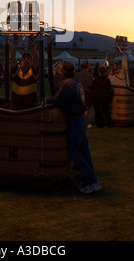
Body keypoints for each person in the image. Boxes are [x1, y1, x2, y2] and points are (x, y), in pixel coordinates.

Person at [45, 62, 101, 194]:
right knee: (84, 151)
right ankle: (91, 180)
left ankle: (90, 181)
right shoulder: (77, 82)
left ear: (63, 72)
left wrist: (47, 100)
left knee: (74, 152)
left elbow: (59, 100)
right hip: (81, 119)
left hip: (75, 120)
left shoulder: (67, 84)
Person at [10, 34, 39, 110]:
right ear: (21, 62)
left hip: (30, 109)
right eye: (24, 59)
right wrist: (15, 43)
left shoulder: (33, 73)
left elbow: (36, 58)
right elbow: (12, 56)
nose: (26, 60)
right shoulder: (17, 71)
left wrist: (32, 44)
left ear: (31, 62)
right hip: (15, 108)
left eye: (28, 59)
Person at [77, 62, 94, 127]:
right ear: (87, 66)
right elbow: (90, 84)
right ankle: (84, 122)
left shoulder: (79, 73)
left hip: (80, 91)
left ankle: (81, 121)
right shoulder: (87, 73)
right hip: (86, 92)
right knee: (86, 107)